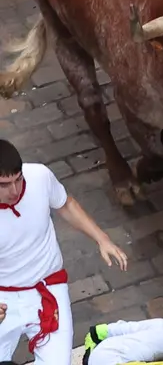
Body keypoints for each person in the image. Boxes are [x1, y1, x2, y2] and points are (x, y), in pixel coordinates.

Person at [0, 139, 128, 364]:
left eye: (18, 179)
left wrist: (102, 238)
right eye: (3, 184)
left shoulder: (39, 176)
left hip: (47, 287)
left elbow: (65, 204)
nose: (14, 190)